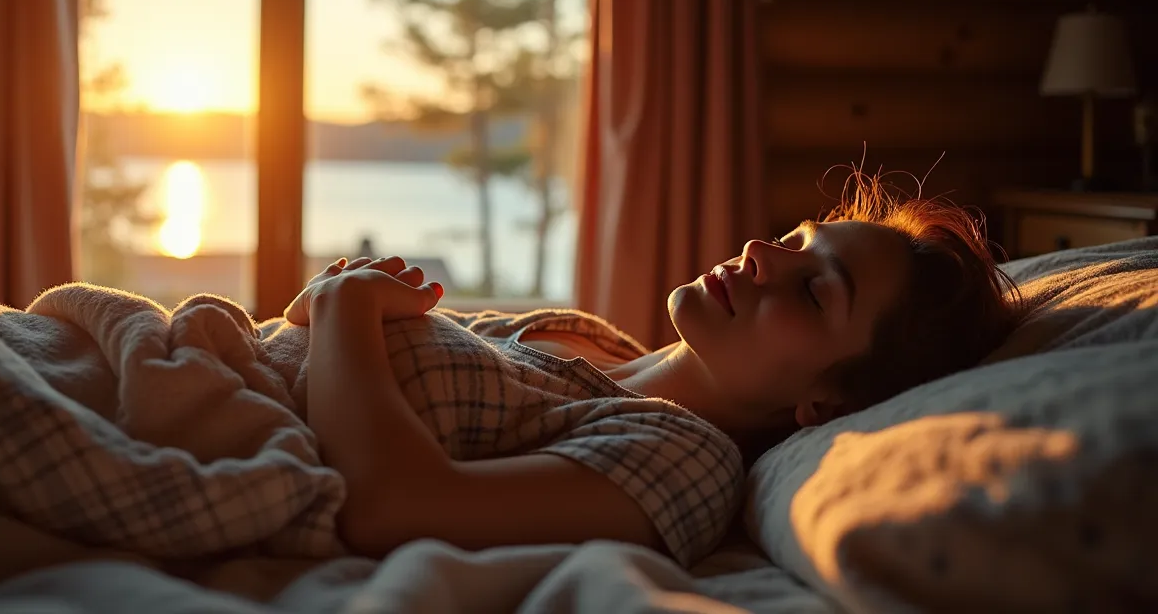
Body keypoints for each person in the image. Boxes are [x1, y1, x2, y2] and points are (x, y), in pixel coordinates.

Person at [282, 171, 1024, 566]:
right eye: (794, 239)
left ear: (827, 402)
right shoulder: (583, 337)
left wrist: (348, 302)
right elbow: (301, 334)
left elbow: (394, 511)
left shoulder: (686, 461)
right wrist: (332, 306)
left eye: (813, 288)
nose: (763, 255)